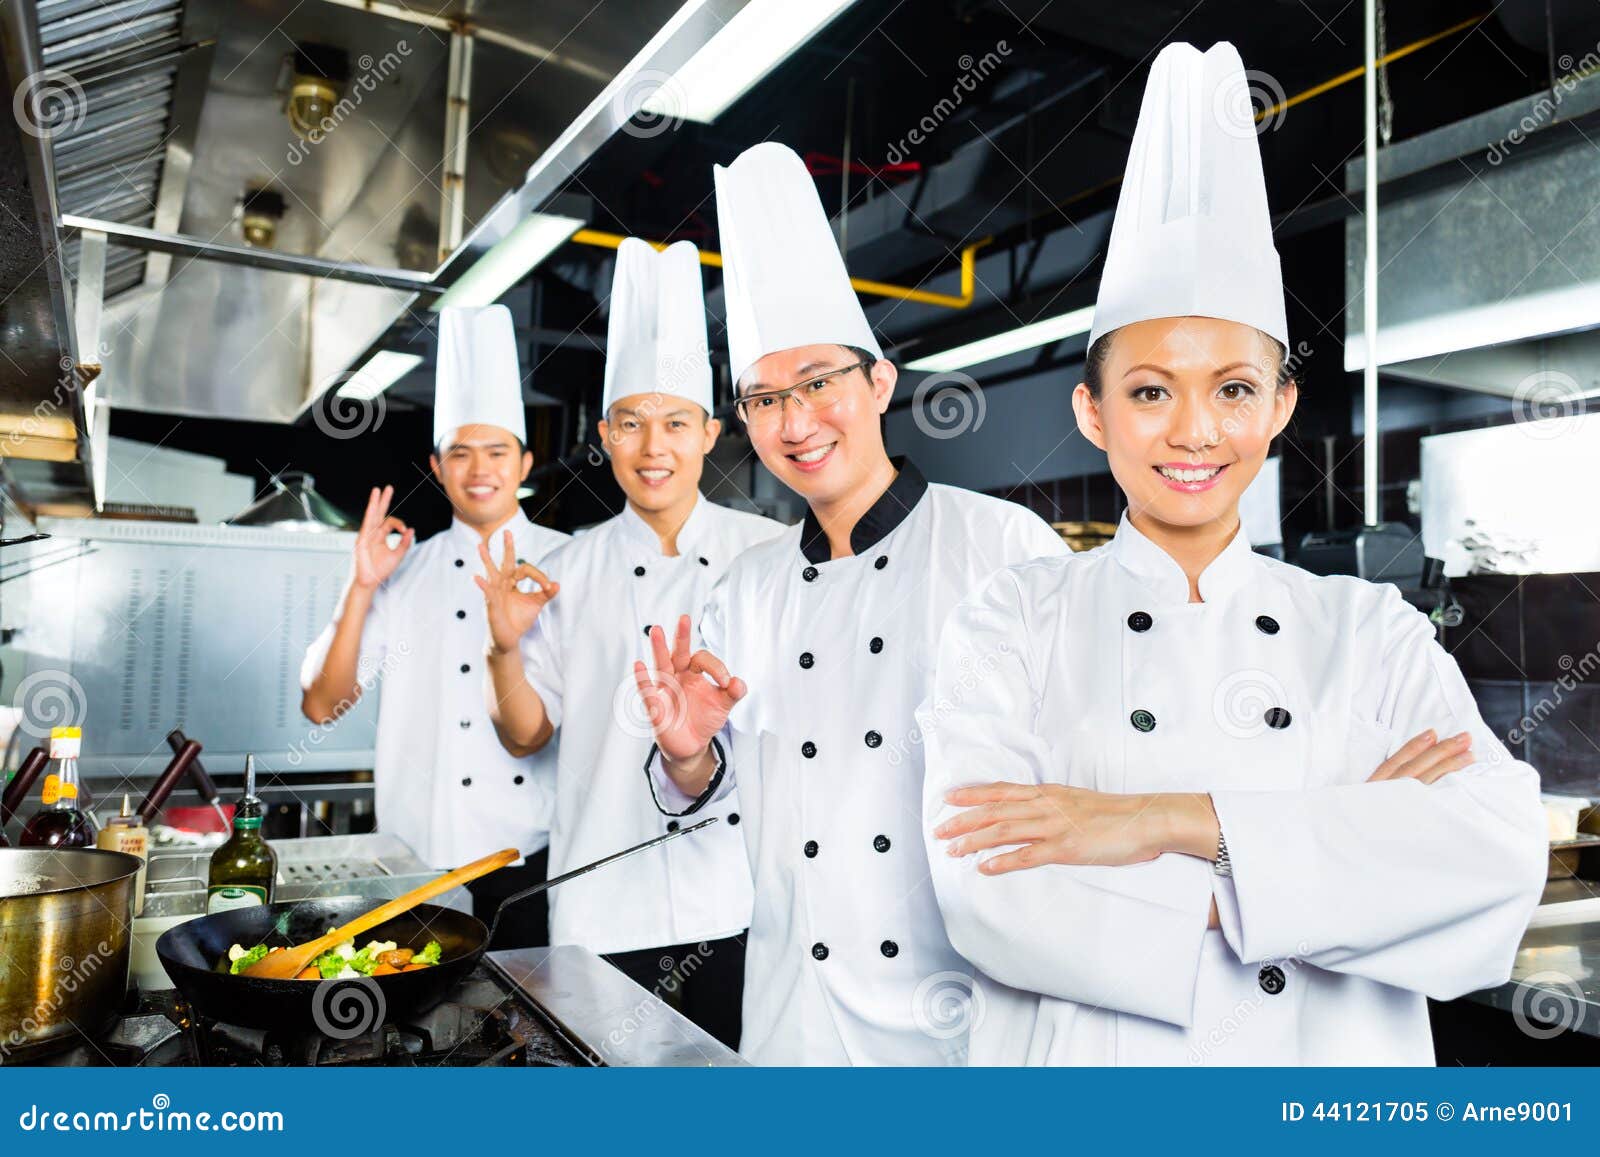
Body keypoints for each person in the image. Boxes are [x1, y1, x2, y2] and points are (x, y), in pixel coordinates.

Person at [918, 42, 1548, 1066]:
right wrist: (1334, 839)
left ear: (1280, 406)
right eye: (1150, 390)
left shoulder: (1365, 625)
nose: (1193, 430)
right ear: (1092, 411)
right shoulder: (1008, 619)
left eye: (1234, 389)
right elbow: (987, 887)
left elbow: (1498, 853)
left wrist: (1158, 820)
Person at [629, 142, 1068, 1066]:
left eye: (819, 383)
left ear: (878, 381)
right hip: (796, 1013)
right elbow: (703, 804)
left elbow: (1084, 776)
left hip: (966, 1017)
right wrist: (686, 752)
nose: (795, 422)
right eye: (764, 398)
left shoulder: (1006, 549)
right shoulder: (743, 593)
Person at [478, 238, 785, 1048]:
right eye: (633, 424)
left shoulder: (771, 557)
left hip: (737, 900)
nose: (655, 448)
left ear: (712, 432)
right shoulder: (563, 568)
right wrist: (504, 645)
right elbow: (526, 732)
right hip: (596, 906)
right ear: (605, 435)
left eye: (676, 422)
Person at [301, 305, 569, 946]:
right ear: (437, 464)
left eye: (497, 452)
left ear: (525, 463)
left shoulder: (567, 564)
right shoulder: (403, 571)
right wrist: (360, 585)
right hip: (409, 863)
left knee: (518, 1031)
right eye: (461, 453)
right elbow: (322, 705)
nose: (480, 470)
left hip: (523, 862)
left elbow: (537, 734)